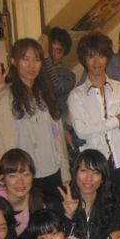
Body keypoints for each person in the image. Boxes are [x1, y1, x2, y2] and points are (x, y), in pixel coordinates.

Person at [0, 38, 71, 203]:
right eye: (25, 59)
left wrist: (65, 169)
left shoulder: (46, 94)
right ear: (13, 61)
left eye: (37, 59)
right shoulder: (5, 95)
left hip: (51, 171)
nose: (31, 65)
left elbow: (56, 134)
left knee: (54, 217)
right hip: (20, 179)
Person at [68, 32, 120, 204]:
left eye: (101, 55)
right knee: (97, 208)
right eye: (91, 56)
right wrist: (115, 120)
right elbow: (82, 131)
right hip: (93, 167)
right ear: (84, 59)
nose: (97, 61)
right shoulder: (77, 95)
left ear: (107, 57)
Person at [55, 150, 120, 239]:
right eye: (84, 171)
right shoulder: (62, 203)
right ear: (75, 173)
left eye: (96, 173)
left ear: (103, 178)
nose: (89, 178)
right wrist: (69, 217)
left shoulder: (112, 205)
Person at [39, 27, 77, 159]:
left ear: (64, 54)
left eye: (58, 50)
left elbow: (57, 87)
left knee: (58, 159)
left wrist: (46, 57)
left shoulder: (68, 76)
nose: (53, 54)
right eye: (50, 49)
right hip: (37, 128)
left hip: (57, 128)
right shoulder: (36, 71)